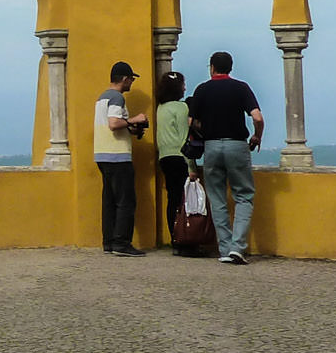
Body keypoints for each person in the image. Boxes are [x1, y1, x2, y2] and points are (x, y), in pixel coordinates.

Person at [187, 50, 263, 265]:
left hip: (211, 146)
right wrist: (257, 136)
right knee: (244, 195)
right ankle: (237, 248)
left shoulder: (202, 89)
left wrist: (208, 127)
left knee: (217, 198)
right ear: (230, 67)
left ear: (212, 67)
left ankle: (224, 248)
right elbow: (257, 117)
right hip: (237, 145)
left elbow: (191, 121)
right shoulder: (241, 88)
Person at [93, 61, 149, 255]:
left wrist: (131, 129)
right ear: (125, 79)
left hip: (102, 154)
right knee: (126, 200)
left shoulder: (102, 98)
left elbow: (114, 124)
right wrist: (137, 119)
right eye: (131, 79)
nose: (132, 83)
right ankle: (122, 243)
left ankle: (109, 241)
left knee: (109, 200)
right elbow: (114, 123)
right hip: (117, 156)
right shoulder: (117, 97)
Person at [152, 71, 197, 257]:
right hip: (180, 158)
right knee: (184, 201)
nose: (185, 88)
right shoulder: (181, 108)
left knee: (173, 199)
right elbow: (184, 138)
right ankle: (186, 239)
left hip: (165, 157)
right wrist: (192, 166)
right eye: (183, 84)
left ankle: (175, 239)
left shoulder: (160, 108)